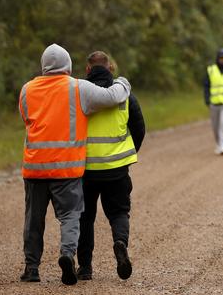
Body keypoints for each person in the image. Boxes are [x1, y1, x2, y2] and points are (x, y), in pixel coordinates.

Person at [18, 44, 131, 285]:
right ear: (68, 66)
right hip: (66, 168)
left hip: (35, 167)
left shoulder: (27, 90)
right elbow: (113, 97)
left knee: (33, 219)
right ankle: (67, 255)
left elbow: (27, 118)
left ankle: (31, 268)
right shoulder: (77, 88)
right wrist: (123, 82)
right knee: (70, 216)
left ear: (43, 66)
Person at [76, 51, 146, 281]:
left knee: (85, 218)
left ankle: (85, 268)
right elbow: (139, 127)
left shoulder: (79, 95)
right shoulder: (125, 96)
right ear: (111, 68)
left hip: (85, 169)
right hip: (116, 168)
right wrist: (126, 153)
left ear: (87, 70)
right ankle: (119, 243)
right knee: (118, 212)